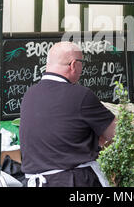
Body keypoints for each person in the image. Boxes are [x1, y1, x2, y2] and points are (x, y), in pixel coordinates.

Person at [19, 41, 116, 187]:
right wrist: (96, 140)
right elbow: (116, 132)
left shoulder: (29, 94)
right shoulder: (81, 95)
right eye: (81, 64)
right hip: (72, 181)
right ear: (74, 65)